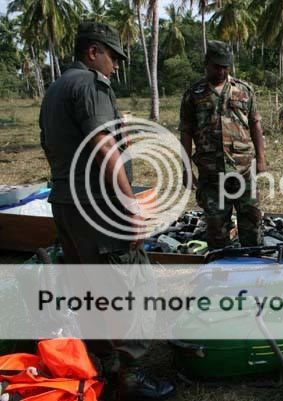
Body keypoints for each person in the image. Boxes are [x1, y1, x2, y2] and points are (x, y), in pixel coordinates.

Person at [39, 22, 175, 400]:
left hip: (67, 204)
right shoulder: (90, 85)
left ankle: (102, 366)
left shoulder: (56, 89)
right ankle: (131, 376)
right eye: (112, 57)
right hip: (98, 209)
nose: (115, 66)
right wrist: (130, 202)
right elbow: (101, 143)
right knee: (128, 286)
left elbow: (50, 146)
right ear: (93, 52)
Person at [179, 40, 266, 249]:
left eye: (225, 67)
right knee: (217, 227)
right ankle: (222, 271)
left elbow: (255, 124)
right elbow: (186, 132)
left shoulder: (244, 90)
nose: (221, 71)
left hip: (242, 169)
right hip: (210, 174)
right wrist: (186, 168)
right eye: (217, 66)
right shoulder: (193, 94)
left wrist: (261, 159)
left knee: (252, 220)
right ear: (206, 64)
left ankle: (255, 263)